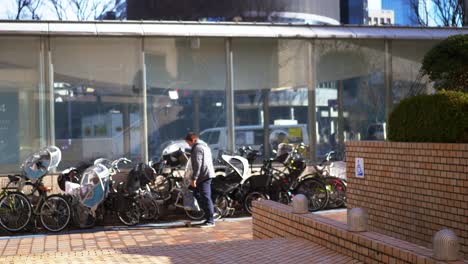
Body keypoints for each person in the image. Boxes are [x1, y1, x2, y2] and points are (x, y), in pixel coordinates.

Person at [185, 132, 216, 228]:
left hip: (203, 176)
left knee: (205, 197)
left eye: (188, 143)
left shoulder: (197, 148)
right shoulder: (204, 145)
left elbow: (197, 164)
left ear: (193, 140)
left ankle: (210, 220)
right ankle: (208, 214)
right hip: (205, 174)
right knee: (196, 193)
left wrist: (194, 178)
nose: (188, 145)